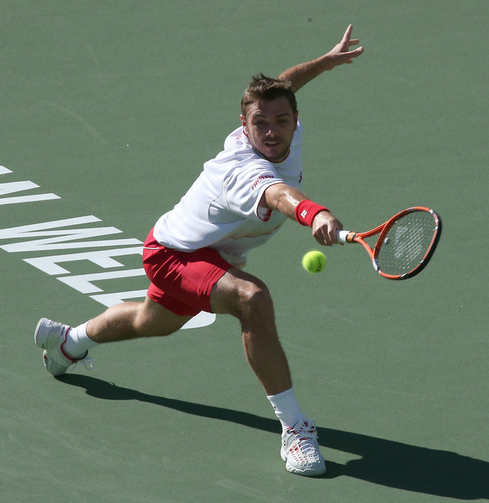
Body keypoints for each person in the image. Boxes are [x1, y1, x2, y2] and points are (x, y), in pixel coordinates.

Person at [34, 25, 364, 477]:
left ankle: (67, 342)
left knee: (151, 322)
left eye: (281, 121)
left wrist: (323, 63)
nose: (271, 131)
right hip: (172, 254)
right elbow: (278, 196)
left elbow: (283, 89)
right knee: (253, 299)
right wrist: (316, 213)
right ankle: (296, 428)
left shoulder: (282, 123)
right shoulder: (243, 169)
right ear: (243, 127)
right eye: (259, 124)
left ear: (294, 118)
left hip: (212, 257)